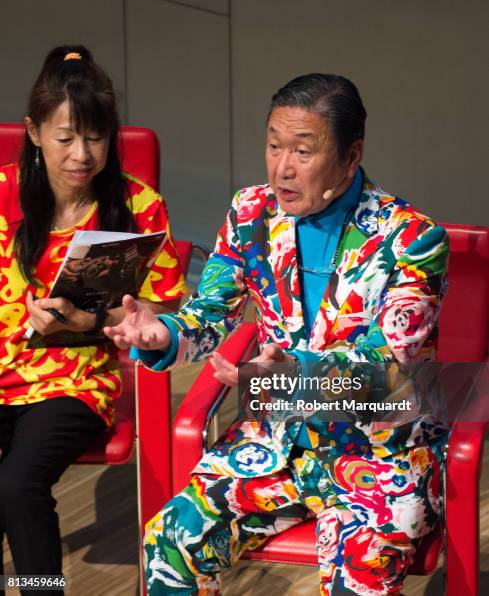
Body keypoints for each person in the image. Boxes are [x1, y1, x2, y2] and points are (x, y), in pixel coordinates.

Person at [105, 74, 449, 595]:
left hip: (379, 457)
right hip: (274, 443)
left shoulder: (413, 241)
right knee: (169, 542)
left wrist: (294, 379)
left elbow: (386, 371)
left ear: (351, 154)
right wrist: (165, 334)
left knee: (355, 579)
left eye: (303, 151)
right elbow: (211, 312)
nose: (281, 168)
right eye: (273, 145)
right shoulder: (251, 214)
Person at [0, 45, 186, 594]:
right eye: (65, 138)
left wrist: (87, 319)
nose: (82, 154)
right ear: (34, 133)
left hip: (74, 380)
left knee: (15, 483)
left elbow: (166, 304)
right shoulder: (3, 194)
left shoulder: (136, 204)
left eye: (96, 138)